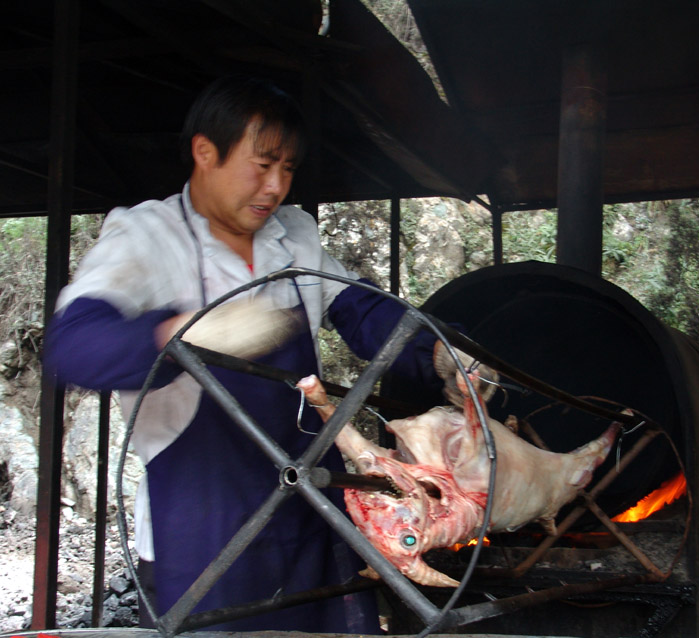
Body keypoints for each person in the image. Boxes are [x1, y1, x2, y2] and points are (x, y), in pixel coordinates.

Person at [44, 75, 439, 632]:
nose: (276, 186)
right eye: (262, 164)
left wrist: (436, 351)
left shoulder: (293, 237)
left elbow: (359, 308)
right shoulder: (146, 237)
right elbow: (75, 344)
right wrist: (177, 334)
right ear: (205, 151)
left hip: (309, 508)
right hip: (204, 527)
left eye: (289, 168)